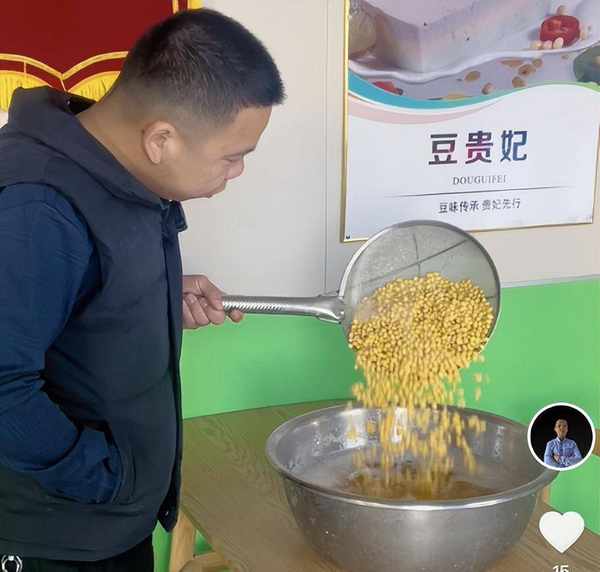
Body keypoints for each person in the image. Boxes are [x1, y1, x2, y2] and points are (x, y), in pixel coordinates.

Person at [0, 8, 284, 571]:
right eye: (232, 157)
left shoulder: (113, 165)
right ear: (161, 139)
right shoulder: (37, 206)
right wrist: (104, 478)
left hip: (113, 521)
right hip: (57, 540)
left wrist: (151, 296)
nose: (237, 173)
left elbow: (75, 294)